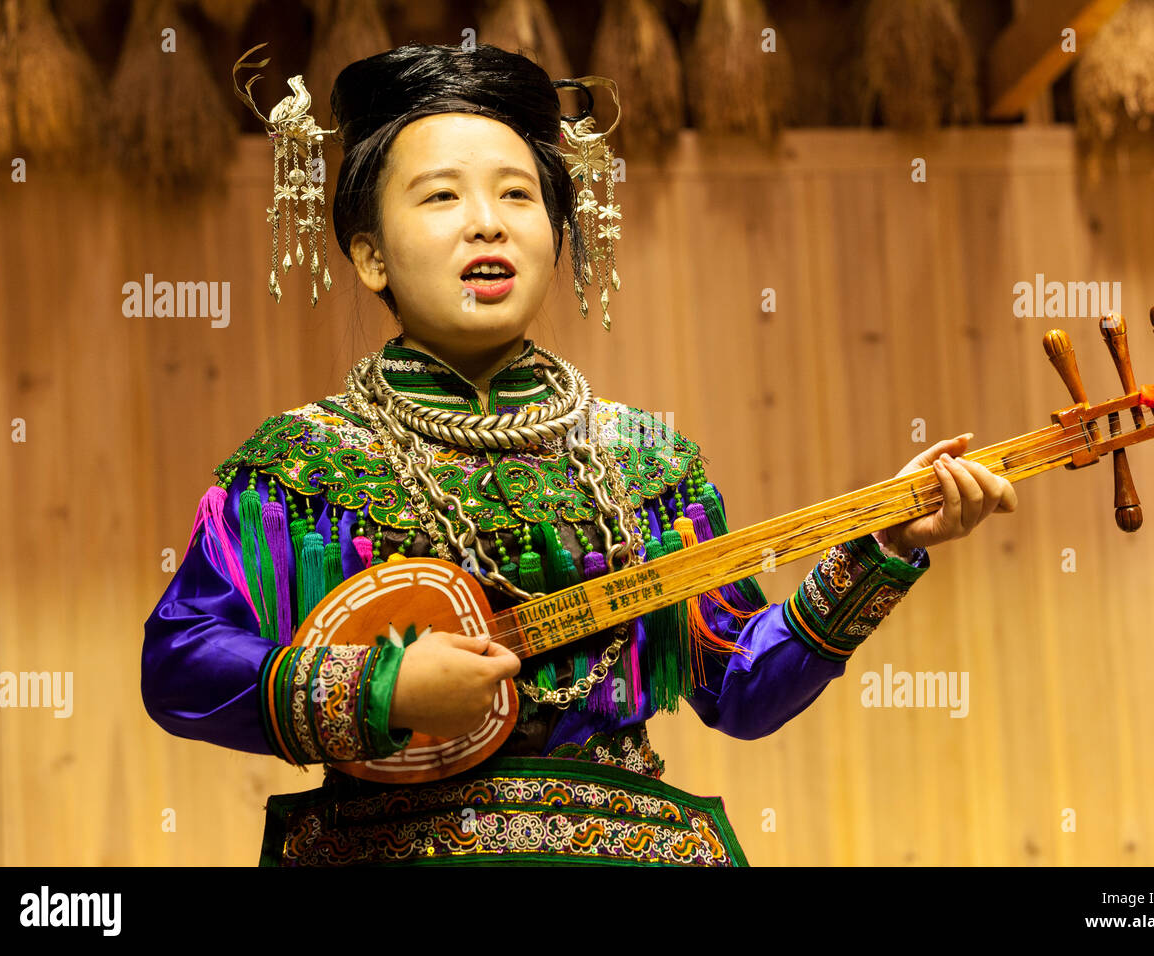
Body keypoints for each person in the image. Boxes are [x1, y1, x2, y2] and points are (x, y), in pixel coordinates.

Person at [141, 42, 1016, 867]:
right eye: (442, 197)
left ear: (560, 233)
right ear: (369, 253)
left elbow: (740, 690)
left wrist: (886, 547)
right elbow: (179, 664)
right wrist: (382, 690)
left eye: (520, 197)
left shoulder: (648, 460)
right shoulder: (301, 464)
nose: (488, 223)